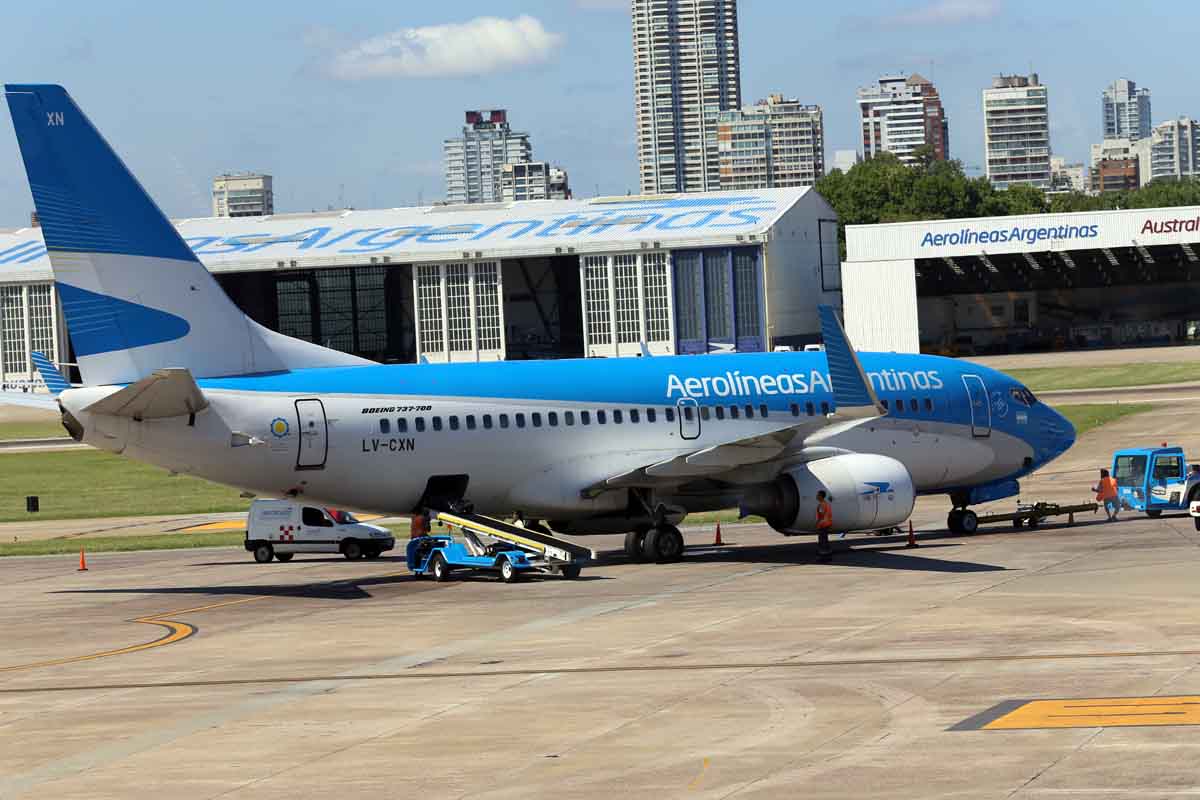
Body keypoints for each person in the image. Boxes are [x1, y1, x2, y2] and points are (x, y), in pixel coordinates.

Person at [816, 490, 834, 561]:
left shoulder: (821, 505)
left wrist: (817, 523)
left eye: (817, 495)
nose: (816, 496)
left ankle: (824, 557)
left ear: (821, 496)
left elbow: (821, 516)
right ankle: (828, 555)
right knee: (825, 541)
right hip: (826, 524)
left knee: (822, 541)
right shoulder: (826, 504)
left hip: (823, 524)